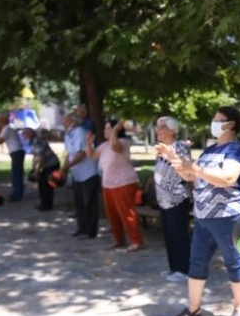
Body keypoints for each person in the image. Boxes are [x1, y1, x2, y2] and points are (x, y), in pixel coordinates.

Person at [158, 106, 240, 316]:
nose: (214, 123)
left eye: (218, 120)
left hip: (229, 216)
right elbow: (191, 176)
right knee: (196, 262)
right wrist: (175, 160)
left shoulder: (236, 150)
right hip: (203, 216)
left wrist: (196, 169)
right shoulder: (209, 151)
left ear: (230, 125)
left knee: (234, 261)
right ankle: (194, 309)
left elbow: (228, 177)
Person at [86, 119, 144, 252]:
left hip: (124, 182)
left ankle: (136, 241)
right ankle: (119, 239)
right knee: (112, 214)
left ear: (115, 130)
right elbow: (92, 155)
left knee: (127, 212)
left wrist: (116, 130)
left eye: (108, 128)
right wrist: (88, 144)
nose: (105, 131)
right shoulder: (104, 145)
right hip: (108, 184)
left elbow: (114, 146)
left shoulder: (123, 142)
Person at [153, 116, 193, 282]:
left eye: (161, 127)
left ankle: (183, 270)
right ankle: (174, 268)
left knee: (179, 235)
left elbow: (185, 169)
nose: (158, 130)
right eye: (157, 127)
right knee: (169, 235)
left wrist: (169, 155)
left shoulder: (180, 147)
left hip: (177, 199)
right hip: (164, 201)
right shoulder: (162, 149)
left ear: (172, 130)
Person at [60, 113, 100, 239]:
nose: (64, 124)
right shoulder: (68, 135)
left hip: (88, 172)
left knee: (89, 202)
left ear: (74, 121)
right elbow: (69, 154)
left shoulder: (81, 133)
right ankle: (81, 227)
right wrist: (65, 168)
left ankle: (90, 231)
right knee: (79, 202)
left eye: (66, 121)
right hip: (77, 173)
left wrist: (67, 167)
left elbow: (82, 154)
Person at [0, 114, 25, 201]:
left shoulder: (7, 128)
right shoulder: (8, 128)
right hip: (17, 152)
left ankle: (18, 195)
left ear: (3, 121)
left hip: (16, 152)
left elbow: (0, 140)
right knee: (16, 173)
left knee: (16, 174)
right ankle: (16, 192)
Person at [23, 128, 61, 211]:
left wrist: (37, 170)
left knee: (46, 185)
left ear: (30, 133)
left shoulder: (37, 142)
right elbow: (35, 156)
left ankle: (47, 205)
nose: (23, 135)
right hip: (45, 164)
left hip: (51, 164)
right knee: (41, 184)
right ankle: (43, 203)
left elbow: (42, 157)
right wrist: (33, 168)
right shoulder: (32, 141)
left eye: (24, 133)